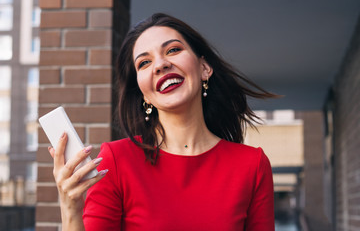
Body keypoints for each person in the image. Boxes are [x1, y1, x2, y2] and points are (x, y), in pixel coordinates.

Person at [48, 13, 276, 230]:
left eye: (173, 50)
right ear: (143, 93)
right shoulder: (117, 161)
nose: (160, 65)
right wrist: (70, 209)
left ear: (204, 68)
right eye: (144, 63)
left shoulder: (252, 166)